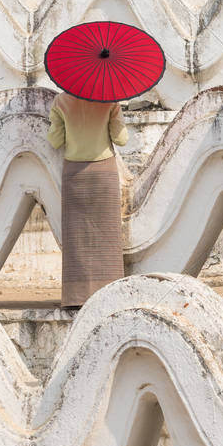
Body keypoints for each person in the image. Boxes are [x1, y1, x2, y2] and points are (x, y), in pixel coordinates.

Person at [47, 93, 128, 311]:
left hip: (74, 172)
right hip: (104, 172)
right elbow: (121, 139)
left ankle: (76, 296)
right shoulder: (110, 100)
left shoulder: (61, 102)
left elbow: (55, 141)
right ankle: (109, 292)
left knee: (77, 235)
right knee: (107, 235)